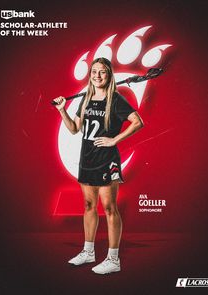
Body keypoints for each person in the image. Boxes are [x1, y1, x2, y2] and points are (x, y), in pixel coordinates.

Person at [53, 57, 143, 274]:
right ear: (90, 74)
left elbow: (138, 122)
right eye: (94, 72)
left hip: (107, 159)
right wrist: (62, 111)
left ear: (109, 75)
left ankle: (113, 259)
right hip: (87, 158)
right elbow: (75, 129)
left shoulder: (117, 99)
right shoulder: (85, 99)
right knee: (88, 206)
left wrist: (115, 139)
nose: (97, 76)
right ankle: (89, 252)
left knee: (110, 208)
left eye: (102, 72)